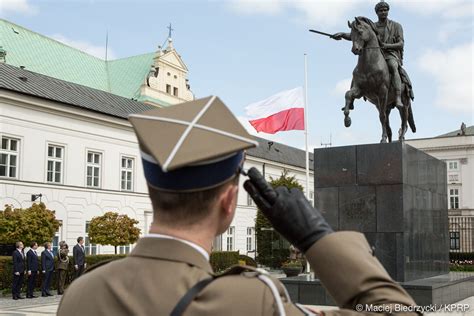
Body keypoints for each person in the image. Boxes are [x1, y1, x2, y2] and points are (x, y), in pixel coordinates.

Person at [58, 96, 417, 315]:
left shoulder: (83, 292)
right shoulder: (251, 301)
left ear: (153, 191)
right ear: (230, 202)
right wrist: (316, 238)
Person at [332, 1, 406, 108]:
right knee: (358, 71)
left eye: (385, 10)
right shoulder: (372, 26)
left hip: (389, 54)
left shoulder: (396, 26)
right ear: (377, 13)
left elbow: (401, 43)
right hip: (374, 56)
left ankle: (398, 97)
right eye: (381, 11)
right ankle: (352, 99)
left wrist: (387, 45)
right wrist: (342, 35)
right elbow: (358, 35)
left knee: (393, 67)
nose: (383, 12)